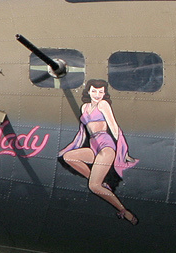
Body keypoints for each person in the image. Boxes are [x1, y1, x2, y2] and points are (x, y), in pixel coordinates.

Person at [59, 79, 139, 223]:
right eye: (94, 91)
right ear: (88, 91)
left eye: (101, 91)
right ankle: (101, 183)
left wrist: (123, 149)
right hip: (93, 145)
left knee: (93, 186)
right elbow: (83, 132)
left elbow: (114, 127)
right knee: (69, 157)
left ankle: (124, 211)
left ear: (104, 93)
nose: (97, 94)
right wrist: (73, 145)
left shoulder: (103, 105)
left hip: (106, 145)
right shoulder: (84, 107)